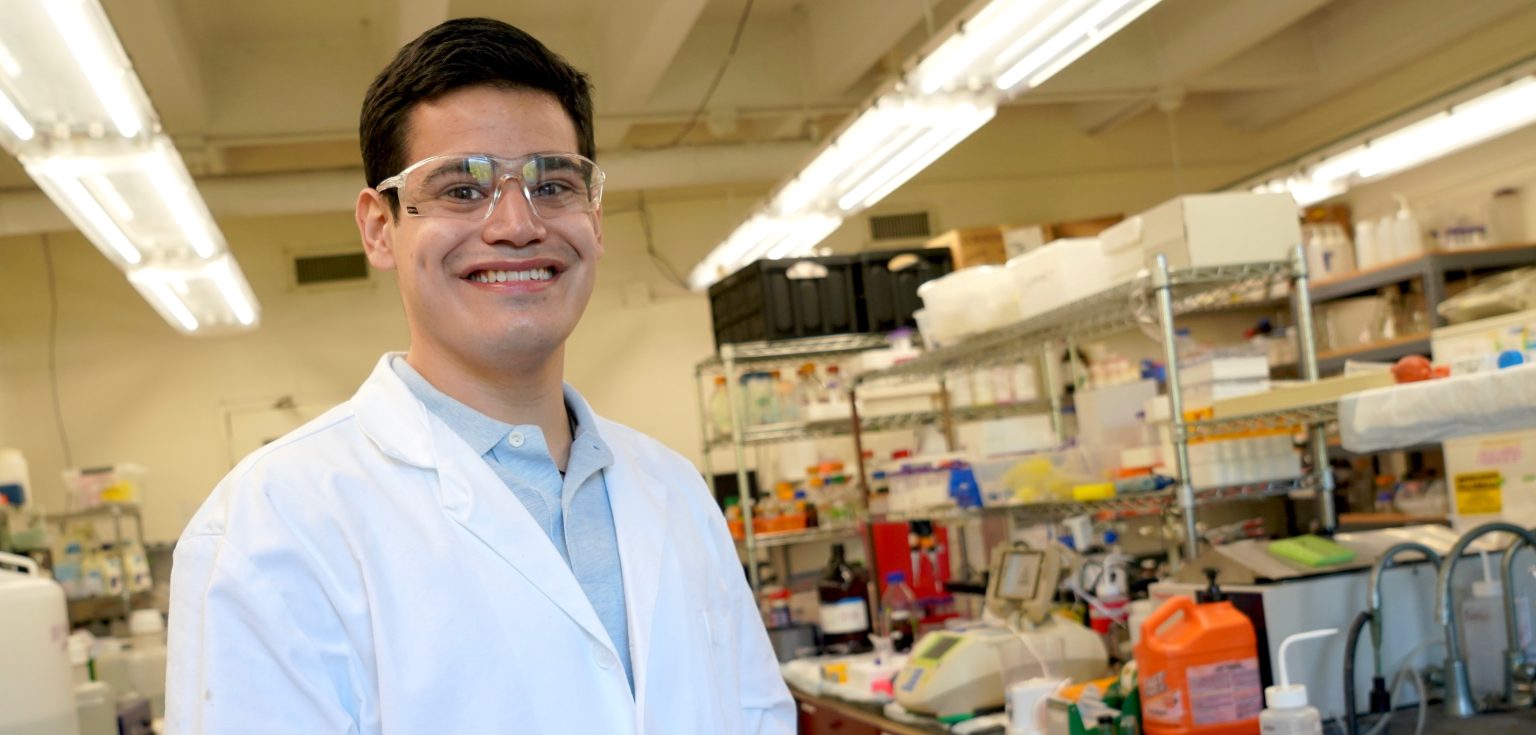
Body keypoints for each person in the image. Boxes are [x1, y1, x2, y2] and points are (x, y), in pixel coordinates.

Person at [165, 17, 793, 734]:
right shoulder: (271, 524)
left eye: (554, 183)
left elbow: (758, 718)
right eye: (462, 190)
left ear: (595, 216)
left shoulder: (676, 491)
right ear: (379, 227)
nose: (517, 224)